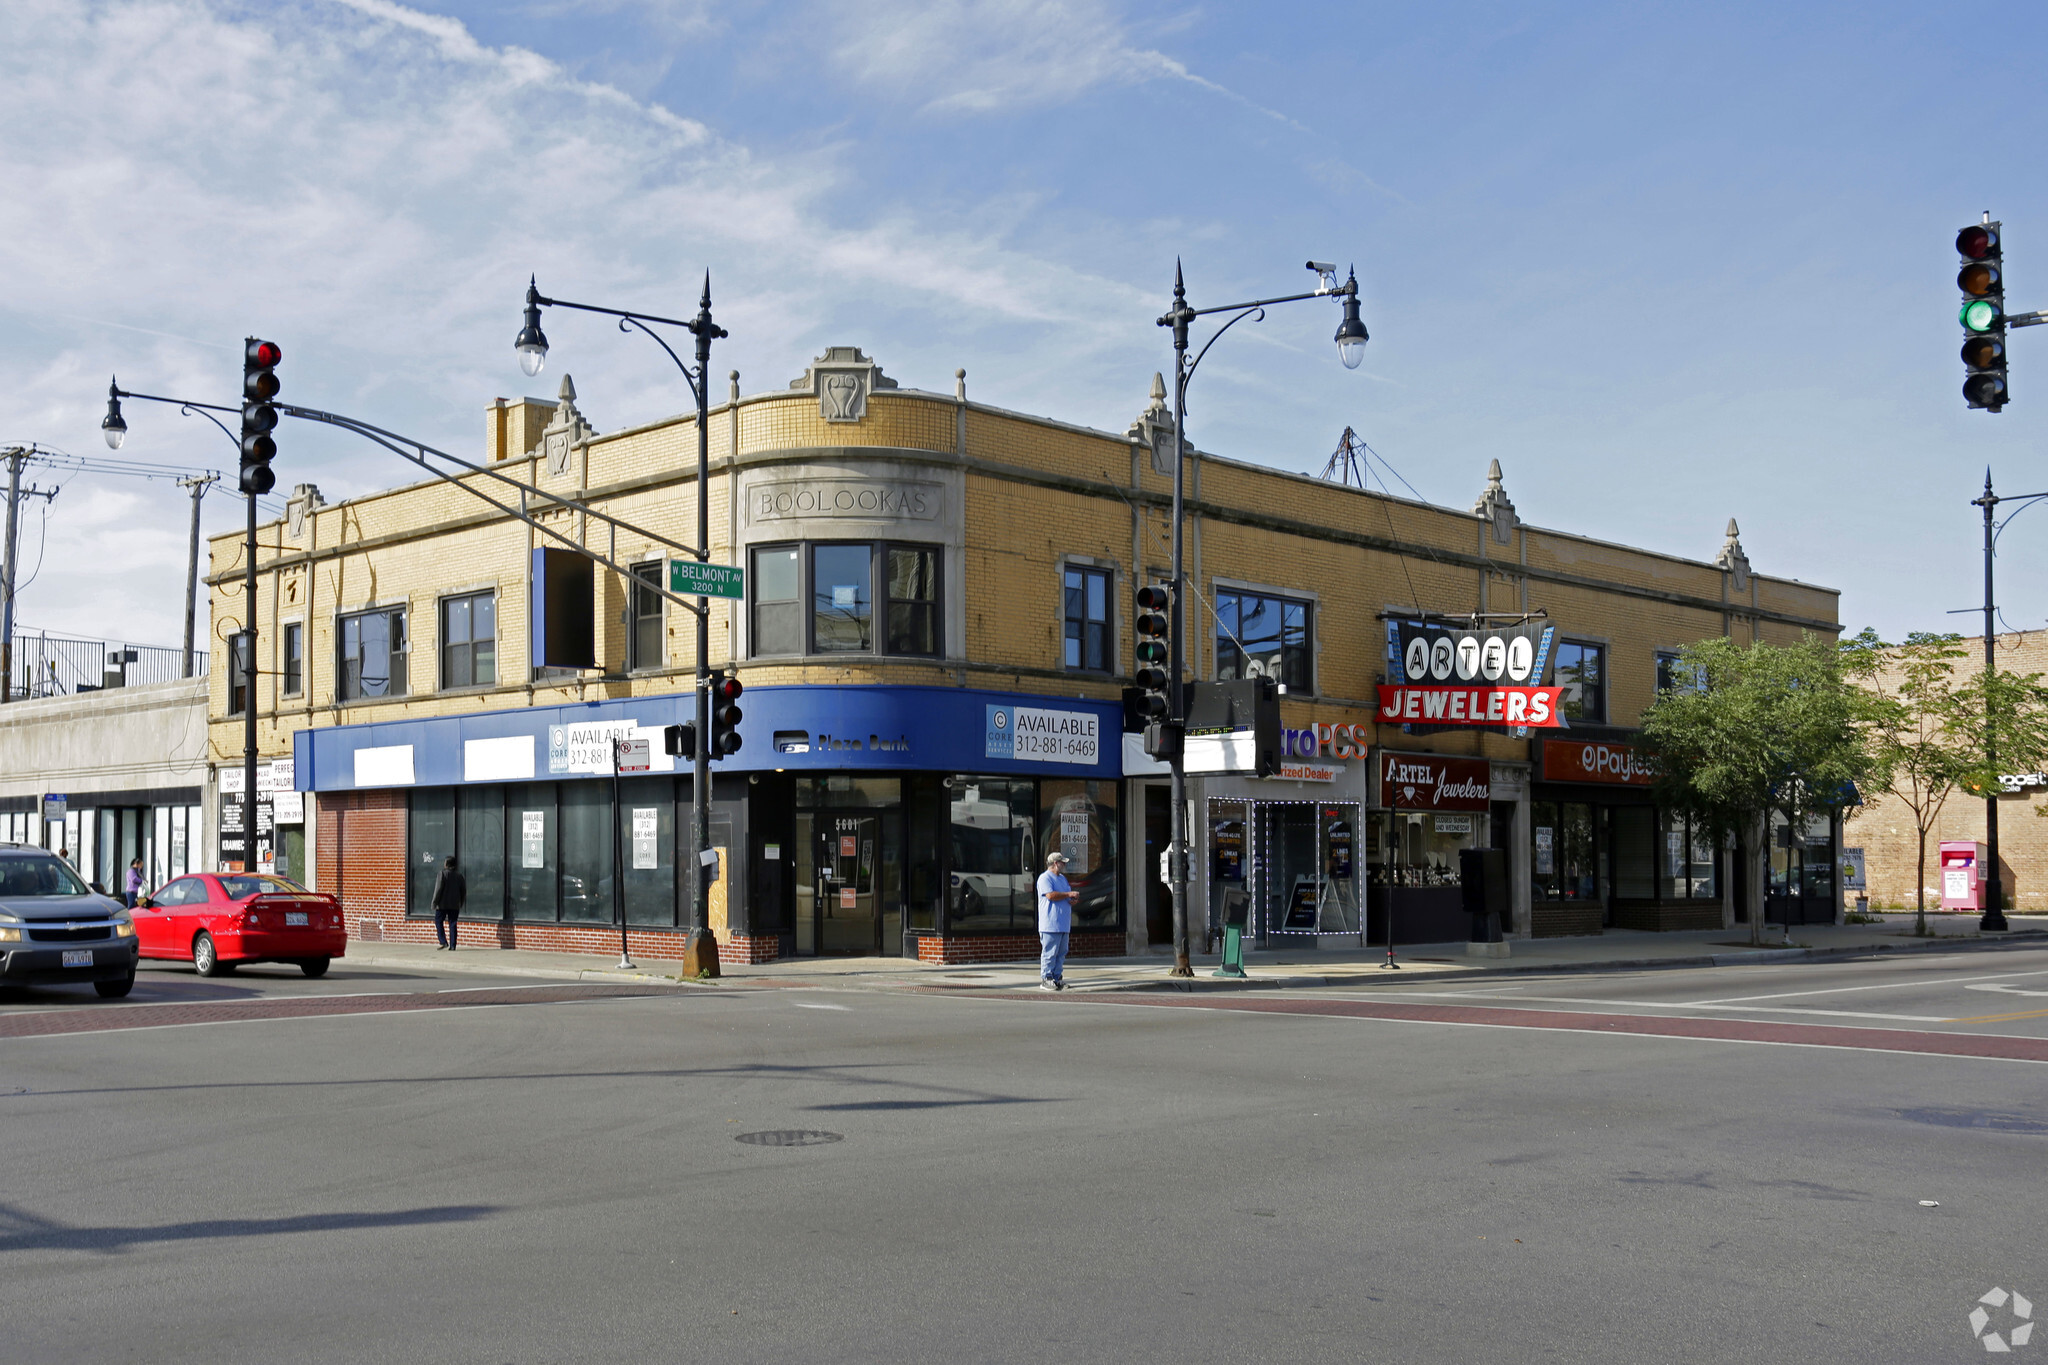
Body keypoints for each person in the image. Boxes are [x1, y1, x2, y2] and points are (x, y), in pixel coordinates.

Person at [1036, 850, 1077, 991]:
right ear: (1055, 863)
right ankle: (1046, 979)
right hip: (1050, 924)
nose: (1064, 865)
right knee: (1049, 952)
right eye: (1062, 862)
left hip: (1063, 923)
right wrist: (1068, 894)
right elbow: (1050, 895)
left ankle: (1057, 978)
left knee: (1061, 952)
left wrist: (1071, 899)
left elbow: (1065, 895)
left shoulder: (1063, 879)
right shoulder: (1044, 878)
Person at [431, 855, 467, 950]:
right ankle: (453, 945)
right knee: (453, 923)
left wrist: (434, 902)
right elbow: (463, 891)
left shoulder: (442, 874)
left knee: (438, 921)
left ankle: (443, 941)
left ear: (446, 864)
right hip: (455, 904)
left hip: (442, 904)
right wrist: (461, 902)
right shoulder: (459, 876)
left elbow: (438, 890)